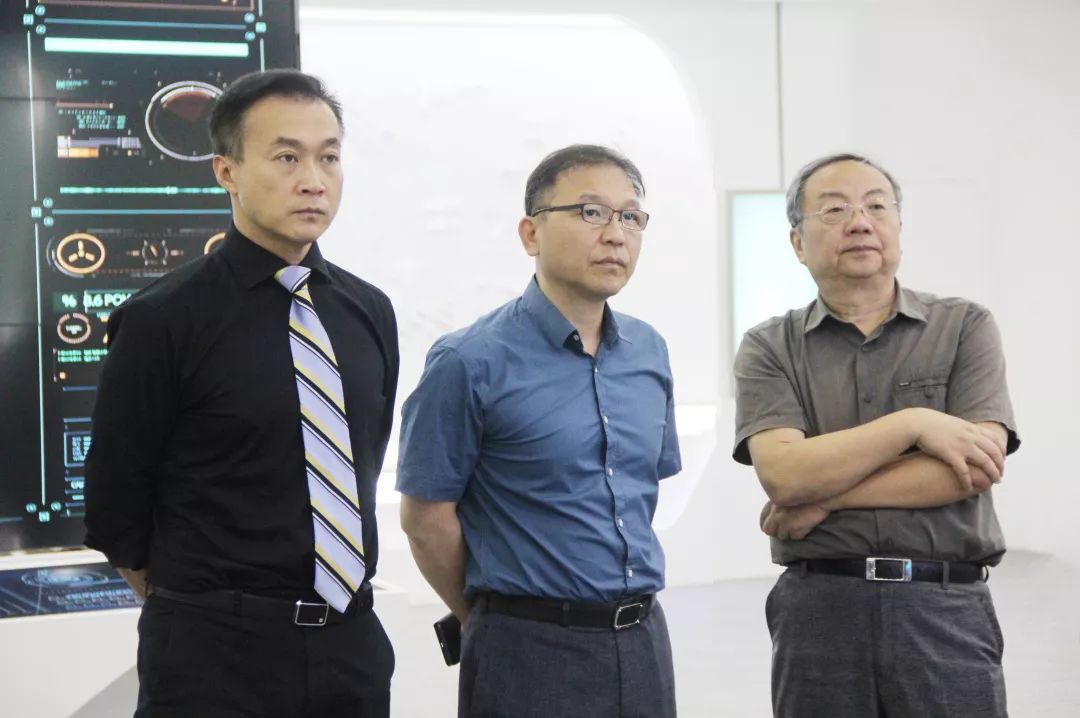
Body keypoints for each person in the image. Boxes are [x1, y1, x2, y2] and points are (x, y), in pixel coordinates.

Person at [83, 69, 398, 717]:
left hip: (351, 650)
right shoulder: (162, 319)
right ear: (226, 171)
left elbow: (361, 459)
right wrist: (209, 608)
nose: (313, 180)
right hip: (214, 657)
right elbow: (116, 509)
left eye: (329, 157)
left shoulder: (368, 311)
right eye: (286, 157)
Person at [396, 144, 681, 718]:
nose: (616, 234)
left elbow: (639, 491)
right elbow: (425, 520)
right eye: (591, 212)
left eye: (631, 217)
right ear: (531, 234)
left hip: (643, 638)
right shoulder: (469, 361)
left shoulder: (649, 351)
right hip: (528, 650)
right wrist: (493, 618)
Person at [734, 152, 1020, 717]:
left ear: (898, 228)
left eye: (875, 207)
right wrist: (913, 424)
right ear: (797, 243)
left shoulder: (964, 327)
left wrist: (826, 498)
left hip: (944, 608)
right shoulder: (769, 347)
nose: (859, 222)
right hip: (820, 612)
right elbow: (785, 476)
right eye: (834, 209)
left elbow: (975, 466)